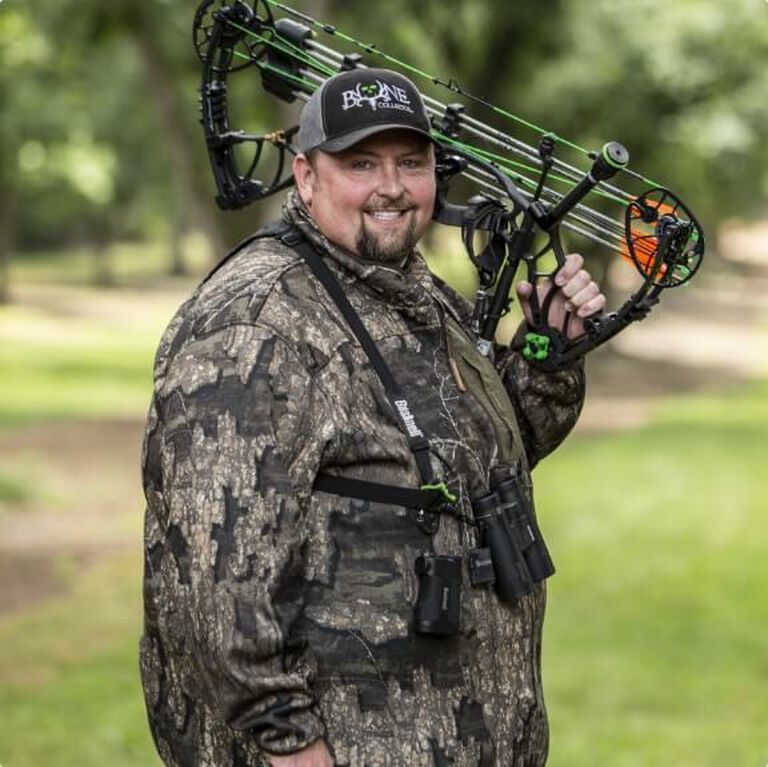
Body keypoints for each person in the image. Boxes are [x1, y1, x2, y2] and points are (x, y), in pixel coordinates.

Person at [140, 68, 606, 767]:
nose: (391, 186)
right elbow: (209, 582)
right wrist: (290, 744)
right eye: (361, 163)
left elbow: (474, 468)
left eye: (410, 163)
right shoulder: (256, 324)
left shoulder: (409, 290)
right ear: (305, 174)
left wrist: (549, 351)